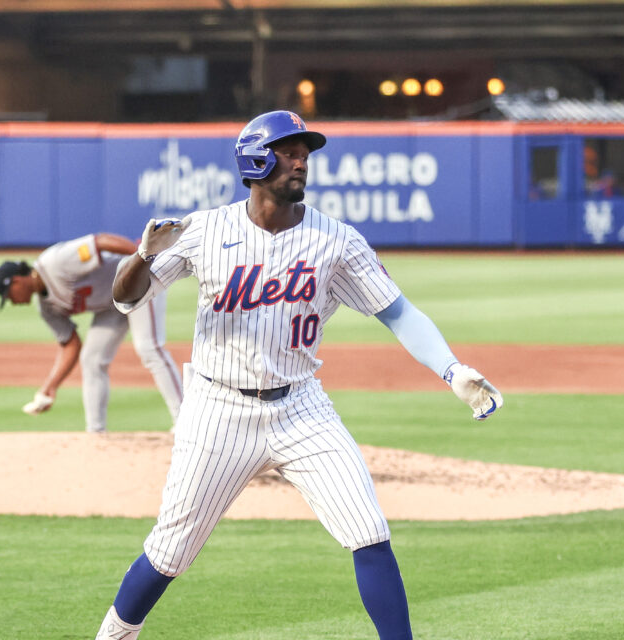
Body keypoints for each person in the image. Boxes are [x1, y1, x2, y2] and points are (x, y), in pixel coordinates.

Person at [93, 110, 504, 640]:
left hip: (301, 407)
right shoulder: (204, 230)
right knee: (171, 550)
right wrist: (144, 254)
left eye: (305, 153)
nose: (301, 161)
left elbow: (398, 312)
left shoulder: (336, 241)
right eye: (289, 151)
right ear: (256, 158)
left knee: (368, 531)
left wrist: (452, 370)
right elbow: (126, 299)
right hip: (218, 409)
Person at [0, 233, 183, 433]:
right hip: (113, 305)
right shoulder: (46, 308)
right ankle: (96, 433)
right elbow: (70, 345)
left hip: (134, 280)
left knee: (148, 348)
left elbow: (100, 242)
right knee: (91, 359)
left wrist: (141, 260)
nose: (12, 301)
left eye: (9, 295)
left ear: (16, 281)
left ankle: (185, 421)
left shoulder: (55, 262)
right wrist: (50, 386)